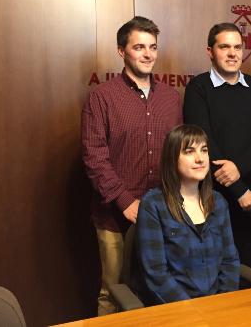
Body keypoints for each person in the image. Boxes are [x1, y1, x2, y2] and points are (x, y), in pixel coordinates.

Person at [81, 16, 182, 315]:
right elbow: (94, 155)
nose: (148, 54)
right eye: (140, 47)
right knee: (113, 292)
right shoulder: (102, 97)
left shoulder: (171, 98)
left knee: (158, 288)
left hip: (162, 211)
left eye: (152, 47)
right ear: (121, 51)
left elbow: (177, 154)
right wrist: (125, 202)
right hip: (114, 214)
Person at [183, 23, 251, 270]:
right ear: (210, 51)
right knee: (218, 270)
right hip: (216, 196)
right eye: (224, 47)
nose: (233, 53)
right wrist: (238, 189)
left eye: (237, 47)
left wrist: (239, 171)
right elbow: (203, 143)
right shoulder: (198, 87)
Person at [136, 124, 240, 305]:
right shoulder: (153, 204)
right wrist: (191, 311)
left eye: (204, 150)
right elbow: (156, 273)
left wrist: (223, 304)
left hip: (219, 308)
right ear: (172, 158)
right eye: (189, 151)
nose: (200, 159)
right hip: (176, 309)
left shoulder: (218, 202)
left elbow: (230, 261)